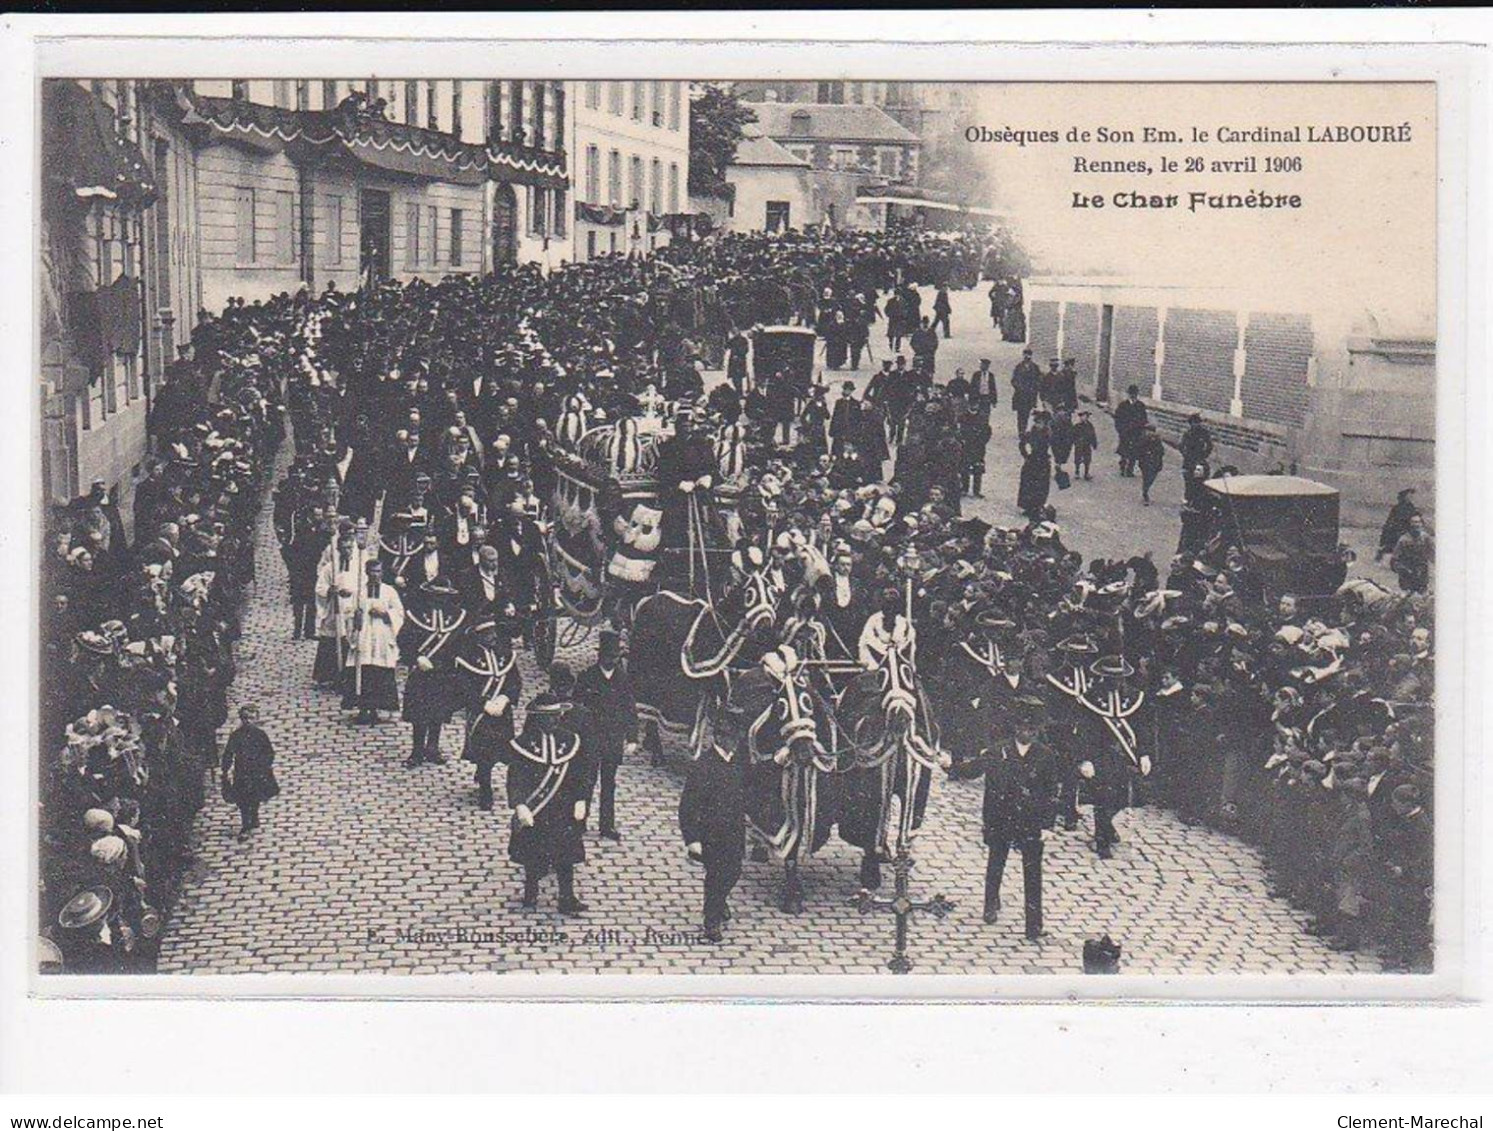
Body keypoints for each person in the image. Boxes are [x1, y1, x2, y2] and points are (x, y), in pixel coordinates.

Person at [948, 696, 1060, 937]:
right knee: (996, 863)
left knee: (1033, 874)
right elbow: (973, 769)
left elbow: (1052, 792)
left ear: (1036, 730)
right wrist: (950, 766)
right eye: (1021, 727)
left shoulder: (1046, 755)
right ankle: (990, 905)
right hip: (1001, 817)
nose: (1025, 733)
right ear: (1015, 727)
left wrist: (1048, 825)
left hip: (1031, 822)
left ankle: (1034, 926)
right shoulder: (999, 751)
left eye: (1030, 729)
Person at [507, 689, 592, 915]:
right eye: (550, 717)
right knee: (533, 854)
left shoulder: (570, 741)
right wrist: (520, 805)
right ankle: (531, 892)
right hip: (538, 811)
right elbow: (515, 778)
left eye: (557, 716)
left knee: (566, 856)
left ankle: (567, 898)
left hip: (564, 808)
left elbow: (580, 775)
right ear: (538, 718)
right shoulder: (522, 744)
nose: (556, 720)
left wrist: (581, 800)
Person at [680, 699, 749, 942]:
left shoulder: (738, 761)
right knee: (716, 876)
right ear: (719, 738)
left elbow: (756, 778)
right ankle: (711, 920)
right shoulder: (703, 767)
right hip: (711, 834)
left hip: (735, 832)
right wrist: (692, 840)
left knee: (734, 872)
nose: (735, 743)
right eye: (731, 738)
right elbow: (687, 808)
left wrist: (777, 760)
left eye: (737, 738)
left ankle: (719, 902)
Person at [576, 630, 639, 841]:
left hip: (613, 740)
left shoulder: (623, 679)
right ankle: (579, 821)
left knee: (609, 784)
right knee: (586, 782)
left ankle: (607, 825)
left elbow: (630, 709)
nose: (613, 661)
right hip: (591, 741)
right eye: (609, 657)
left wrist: (632, 737)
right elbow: (577, 708)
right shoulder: (587, 677)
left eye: (616, 657)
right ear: (600, 656)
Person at [455, 618, 521, 810]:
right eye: (487, 634)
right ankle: (486, 790)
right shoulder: (468, 657)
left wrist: (505, 698)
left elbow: (515, 681)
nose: (492, 637)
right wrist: (483, 703)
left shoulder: (505, 655)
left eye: (494, 633)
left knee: (502, 750)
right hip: (480, 713)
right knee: (483, 752)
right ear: (478, 636)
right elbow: (463, 686)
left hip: (502, 713)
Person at [342, 559, 405, 724]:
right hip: (364, 637)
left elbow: (399, 613)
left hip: (381, 637)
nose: (375, 575)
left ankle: (377, 707)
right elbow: (348, 612)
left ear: (382, 573)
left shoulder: (389, 592)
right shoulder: (358, 592)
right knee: (362, 672)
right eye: (372, 571)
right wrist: (354, 619)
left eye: (378, 571)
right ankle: (363, 708)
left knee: (380, 671)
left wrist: (385, 614)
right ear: (366, 572)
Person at [220, 705, 278, 840]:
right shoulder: (236, 735)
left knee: (255, 797)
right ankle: (246, 824)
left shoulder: (261, 735)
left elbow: (269, 752)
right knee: (243, 799)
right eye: (245, 718)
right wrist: (225, 769)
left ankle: (255, 816)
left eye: (251, 718)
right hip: (241, 773)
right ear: (241, 719)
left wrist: (264, 765)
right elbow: (229, 753)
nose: (248, 721)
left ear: (257, 719)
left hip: (257, 772)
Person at [1390, 514, 1434, 594]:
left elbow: (1433, 555)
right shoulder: (1403, 540)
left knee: (1422, 598)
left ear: (1421, 524)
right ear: (1410, 525)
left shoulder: (1426, 538)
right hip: (1407, 574)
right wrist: (1402, 570)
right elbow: (1394, 560)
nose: (1416, 524)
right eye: (1413, 522)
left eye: (1418, 522)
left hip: (1421, 573)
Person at [1113, 384, 1149, 477]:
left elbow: (1144, 419)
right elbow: (1117, 418)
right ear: (1128, 394)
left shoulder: (1140, 406)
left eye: (1135, 394)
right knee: (1124, 451)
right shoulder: (1123, 405)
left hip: (1136, 433)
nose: (1133, 396)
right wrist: (1120, 430)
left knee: (1134, 452)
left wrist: (1141, 428)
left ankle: (1130, 470)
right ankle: (1122, 468)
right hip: (1125, 432)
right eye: (1131, 394)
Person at [960, 399, 993, 498]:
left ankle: (976, 491)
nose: (973, 407)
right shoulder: (962, 417)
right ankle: (964, 488)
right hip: (966, 446)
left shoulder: (983, 417)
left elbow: (987, 431)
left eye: (975, 405)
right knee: (964, 468)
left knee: (978, 469)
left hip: (978, 447)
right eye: (971, 404)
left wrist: (982, 441)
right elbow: (959, 430)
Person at [1377, 488, 1420, 562]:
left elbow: (1416, 519)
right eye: (1409, 495)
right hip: (1396, 531)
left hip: (1406, 530)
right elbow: (1390, 521)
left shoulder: (1412, 508)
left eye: (1411, 496)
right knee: (1391, 546)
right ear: (1404, 496)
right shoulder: (1397, 508)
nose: (1411, 497)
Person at [1011, 350, 1041, 438]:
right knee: (1020, 414)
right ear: (1023, 355)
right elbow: (1013, 380)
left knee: (1027, 413)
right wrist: (1018, 387)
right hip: (1020, 395)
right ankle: (1021, 430)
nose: (1027, 357)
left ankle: (1023, 429)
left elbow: (1038, 380)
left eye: (1029, 355)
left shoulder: (1035, 367)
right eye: (1025, 355)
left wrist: (1034, 388)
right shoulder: (1018, 367)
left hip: (1030, 395)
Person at [1136, 423, 1165, 506]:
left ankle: (1145, 491)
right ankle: (1145, 492)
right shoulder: (1146, 438)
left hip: (1148, 460)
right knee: (1149, 477)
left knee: (1147, 477)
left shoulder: (1149, 438)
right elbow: (1161, 451)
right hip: (1151, 460)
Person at [1072, 410, 1098, 480]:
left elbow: (1093, 435)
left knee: (1087, 459)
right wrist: (1075, 442)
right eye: (1083, 416)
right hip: (1079, 445)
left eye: (1086, 416)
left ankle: (1086, 473)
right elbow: (1073, 435)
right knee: (1078, 458)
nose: (1084, 418)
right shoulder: (1077, 426)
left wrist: (1094, 443)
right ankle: (1077, 472)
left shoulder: (1090, 425)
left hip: (1087, 444)